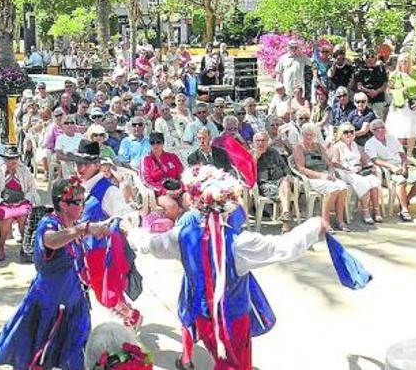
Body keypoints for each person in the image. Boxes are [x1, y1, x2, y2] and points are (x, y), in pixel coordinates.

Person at [125, 165, 360, 370]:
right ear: (228, 204)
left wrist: (131, 230)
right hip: (234, 318)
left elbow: (149, 244)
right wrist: (315, 224)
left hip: (204, 316)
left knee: (222, 359)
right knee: (235, 364)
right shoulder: (239, 243)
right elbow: (285, 246)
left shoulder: (181, 235)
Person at [0, 178, 112, 370]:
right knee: (40, 356)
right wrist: (83, 229)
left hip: (74, 303)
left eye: (83, 200)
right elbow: (51, 241)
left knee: (75, 354)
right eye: (78, 202)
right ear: (63, 204)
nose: (83, 205)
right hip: (49, 306)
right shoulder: (49, 224)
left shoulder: (72, 224)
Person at [0, 145, 41, 262]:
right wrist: (1, 201)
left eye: (15, 158)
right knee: (7, 218)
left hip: (22, 201)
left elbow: (32, 189)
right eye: (10, 159)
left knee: (23, 217)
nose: (13, 161)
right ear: (5, 160)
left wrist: (25, 198)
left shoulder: (24, 170)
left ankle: (26, 246)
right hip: (4, 203)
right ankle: (0, 245)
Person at [293, 123, 350, 231]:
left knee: (343, 186)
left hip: (325, 175)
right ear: (302, 135)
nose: (309, 137)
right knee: (332, 188)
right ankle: (325, 221)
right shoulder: (299, 147)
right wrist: (321, 175)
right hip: (311, 178)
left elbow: (329, 163)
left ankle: (340, 220)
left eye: (312, 135)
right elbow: (301, 169)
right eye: (307, 135)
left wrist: (331, 172)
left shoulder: (318, 146)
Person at [365, 118, 416, 222]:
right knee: (401, 180)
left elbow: (403, 154)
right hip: (387, 170)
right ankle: (404, 210)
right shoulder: (370, 143)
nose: (382, 130)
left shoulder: (392, 138)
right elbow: (375, 160)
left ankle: (406, 200)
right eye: (378, 128)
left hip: (401, 165)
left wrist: (404, 166)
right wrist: (392, 167)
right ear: (372, 131)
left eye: (383, 128)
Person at [330, 122, 383, 224]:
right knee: (363, 183)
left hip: (358, 171)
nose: (349, 134)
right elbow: (334, 162)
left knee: (374, 182)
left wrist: (370, 165)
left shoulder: (355, 145)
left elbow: (364, 159)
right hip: (345, 172)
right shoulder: (337, 146)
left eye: (352, 132)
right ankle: (365, 211)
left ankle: (376, 210)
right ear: (341, 134)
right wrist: (348, 168)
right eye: (346, 132)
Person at [253, 132, 296, 233]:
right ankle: (285, 222)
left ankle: (285, 213)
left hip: (280, 181)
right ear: (254, 142)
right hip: (265, 184)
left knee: (285, 181)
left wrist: (289, 175)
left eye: (263, 140)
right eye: (258, 141)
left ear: (268, 142)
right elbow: (248, 173)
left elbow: (284, 166)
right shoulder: (250, 154)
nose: (261, 143)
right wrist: (256, 158)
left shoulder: (273, 152)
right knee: (284, 192)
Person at [141, 131, 185, 220]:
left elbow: (182, 175)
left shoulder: (172, 157)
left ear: (163, 143)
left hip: (177, 190)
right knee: (171, 205)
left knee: (190, 200)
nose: (155, 145)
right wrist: (165, 192)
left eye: (158, 142)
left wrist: (181, 188)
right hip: (159, 193)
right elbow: (146, 181)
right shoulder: (146, 160)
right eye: (152, 142)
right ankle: (172, 229)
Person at [385, 53, 416, 156]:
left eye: (406, 61)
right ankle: (399, 154)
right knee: (398, 131)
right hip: (398, 105)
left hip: (412, 106)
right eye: (401, 61)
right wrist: (400, 91)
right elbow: (388, 90)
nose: (403, 63)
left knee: (411, 131)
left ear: (410, 62)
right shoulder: (394, 75)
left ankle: (409, 154)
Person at [352, 48, 388, 118]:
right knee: (365, 118)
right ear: (364, 58)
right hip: (365, 99)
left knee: (378, 118)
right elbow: (359, 85)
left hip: (379, 98)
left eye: (372, 56)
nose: (370, 59)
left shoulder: (381, 68)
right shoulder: (360, 70)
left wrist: (376, 92)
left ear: (375, 58)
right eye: (367, 56)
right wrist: (370, 91)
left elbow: (385, 84)